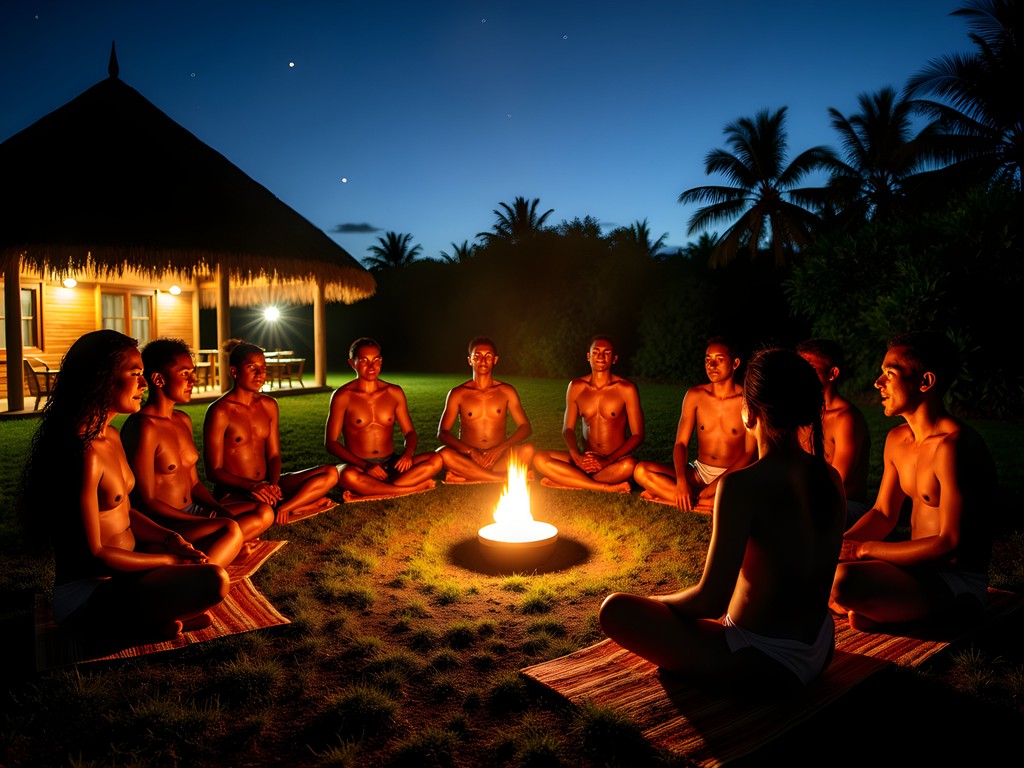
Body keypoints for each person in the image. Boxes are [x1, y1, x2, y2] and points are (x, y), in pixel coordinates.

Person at [599, 349, 845, 690]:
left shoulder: (742, 485)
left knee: (615, 610)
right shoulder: (829, 476)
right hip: (821, 645)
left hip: (767, 660)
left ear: (750, 411)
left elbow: (711, 600)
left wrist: (653, 604)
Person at [21, 330, 229, 639]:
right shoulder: (81, 453)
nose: (143, 384)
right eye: (135, 375)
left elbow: (126, 511)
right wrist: (168, 559)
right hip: (88, 593)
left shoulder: (113, 436)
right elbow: (95, 555)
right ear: (101, 378)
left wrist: (172, 539)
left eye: (143, 375)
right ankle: (142, 622)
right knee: (214, 580)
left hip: (126, 575)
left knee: (207, 565)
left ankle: (152, 620)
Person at [830, 331, 996, 633]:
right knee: (823, 569)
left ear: (926, 382)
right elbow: (883, 513)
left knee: (842, 581)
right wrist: (838, 547)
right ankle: (890, 613)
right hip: (914, 569)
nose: (878, 383)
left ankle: (948, 615)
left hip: (953, 579)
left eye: (889, 375)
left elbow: (950, 543)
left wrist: (863, 550)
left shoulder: (954, 446)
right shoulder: (897, 440)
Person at [122, 338, 274, 565]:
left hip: (194, 511)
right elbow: (146, 501)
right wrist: (194, 520)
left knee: (264, 512)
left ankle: (212, 547)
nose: (194, 380)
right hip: (167, 522)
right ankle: (199, 567)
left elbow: (193, 483)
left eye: (192, 373)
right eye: (185, 374)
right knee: (230, 529)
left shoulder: (182, 420)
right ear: (158, 379)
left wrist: (217, 508)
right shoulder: (143, 427)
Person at [203, 340, 339, 523]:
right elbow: (213, 472)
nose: (260, 374)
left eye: (263, 368)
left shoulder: (269, 405)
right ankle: (296, 506)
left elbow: (274, 455)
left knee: (330, 472)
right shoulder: (220, 411)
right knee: (261, 510)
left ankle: (286, 508)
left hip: (268, 483)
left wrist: (273, 485)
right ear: (235, 372)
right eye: (252, 368)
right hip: (237, 492)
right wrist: (253, 487)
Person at [633, 337, 756, 512]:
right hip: (697, 472)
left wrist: (713, 487)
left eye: (719, 360)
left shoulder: (747, 402)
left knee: (745, 497)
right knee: (641, 470)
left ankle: (670, 498)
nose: (712, 365)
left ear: (735, 363)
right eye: (708, 359)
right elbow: (680, 444)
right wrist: (682, 480)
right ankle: (703, 503)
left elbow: (749, 453)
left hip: (730, 475)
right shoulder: (695, 395)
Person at [325, 337, 443, 498]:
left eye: (376, 360)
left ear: (381, 361)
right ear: (352, 363)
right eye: (364, 360)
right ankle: (408, 488)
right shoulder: (342, 396)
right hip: (360, 466)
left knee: (435, 459)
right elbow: (331, 443)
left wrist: (408, 454)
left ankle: (372, 491)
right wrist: (366, 466)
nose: (372, 366)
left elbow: (410, 432)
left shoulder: (394, 392)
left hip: (391, 463)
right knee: (346, 475)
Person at [532, 335, 644, 493]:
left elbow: (638, 435)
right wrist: (576, 456)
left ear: (614, 358)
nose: (600, 356)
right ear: (588, 356)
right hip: (585, 459)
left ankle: (569, 480)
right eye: (596, 351)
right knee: (539, 458)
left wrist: (607, 461)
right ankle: (601, 486)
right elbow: (568, 429)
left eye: (607, 352)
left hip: (614, 461)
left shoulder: (626, 389)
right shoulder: (576, 386)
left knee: (630, 465)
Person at [436, 336, 535, 483]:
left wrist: (500, 448)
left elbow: (526, 427)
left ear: (495, 360)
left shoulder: (506, 391)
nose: (483, 361)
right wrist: (471, 451)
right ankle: (503, 478)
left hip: (499, 457)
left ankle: (469, 476)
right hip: (469, 458)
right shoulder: (458, 393)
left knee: (528, 450)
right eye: (477, 356)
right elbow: (442, 433)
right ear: (470, 360)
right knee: (443, 453)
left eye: (488, 356)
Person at [797, 338, 871, 527]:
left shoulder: (846, 418)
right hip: (803, 497)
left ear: (833, 373)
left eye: (810, 369)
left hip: (844, 504)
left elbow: (837, 479)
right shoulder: (798, 413)